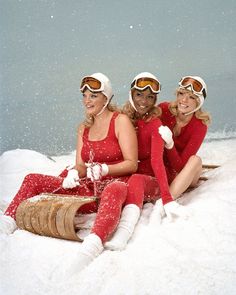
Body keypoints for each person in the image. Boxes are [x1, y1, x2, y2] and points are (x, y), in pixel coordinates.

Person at [0, 73, 138, 272]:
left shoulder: (120, 121)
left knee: (114, 188)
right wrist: (74, 173)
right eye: (85, 95)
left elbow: (132, 164)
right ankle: (7, 222)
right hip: (88, 190)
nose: (87, 100)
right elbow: (81, 166)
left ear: (106, 98)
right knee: (32, 179)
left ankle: (92, 245)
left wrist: (105, 169)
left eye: (93, 95)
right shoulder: (84, 127)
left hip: (115, 187)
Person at [105, 72, 187, 251]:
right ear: (131, 94)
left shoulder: (155, 124)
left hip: (155, 178)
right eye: (139, 94)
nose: (144, 101)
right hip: (133, 173)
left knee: (135, 180)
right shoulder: (122, 118)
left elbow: (157, 161)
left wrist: (166, 197)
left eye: (150, 97)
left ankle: (123, 235)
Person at [158, 75, 211, 199]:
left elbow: (181, 167)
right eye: (182, 94)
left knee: (195, 160)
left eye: (191, 97)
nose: (184, 100)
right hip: (163, 168)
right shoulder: (164, 109)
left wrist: (170, 145)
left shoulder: (199, 126)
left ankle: (165, 201)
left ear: (199, 102)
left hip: (184, 173)